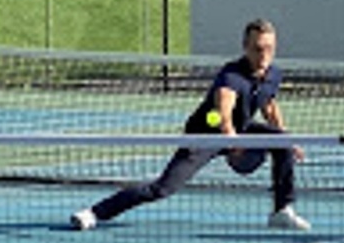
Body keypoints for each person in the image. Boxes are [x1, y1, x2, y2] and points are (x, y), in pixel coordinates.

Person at [70, 18, 311, 231]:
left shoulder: (273, 74)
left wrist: (285, 136)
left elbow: (268, 104)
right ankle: (94, 213)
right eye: (258, 49)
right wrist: (230, 137)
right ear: (245, 48)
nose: (264, 56)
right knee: (161, 188)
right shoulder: (232, 75)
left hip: (242, 129)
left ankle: (282, 211)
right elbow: (224, 109)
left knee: (283, 143)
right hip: (204, 136)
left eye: (269, 49)